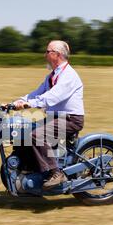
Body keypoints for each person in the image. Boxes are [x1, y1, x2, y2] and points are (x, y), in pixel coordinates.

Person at [13, 40, 85, 189]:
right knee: (23, 131)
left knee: (37, 135)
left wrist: (30, 104)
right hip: (56, 118)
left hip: (71, 119)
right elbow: (37, 93)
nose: (44, 55)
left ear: (57, 55)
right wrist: (18, 101)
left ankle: (56, 173)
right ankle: (28, 169)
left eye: (47, 52)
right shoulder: (52, 76)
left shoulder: (68, 75)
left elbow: (52, 97)